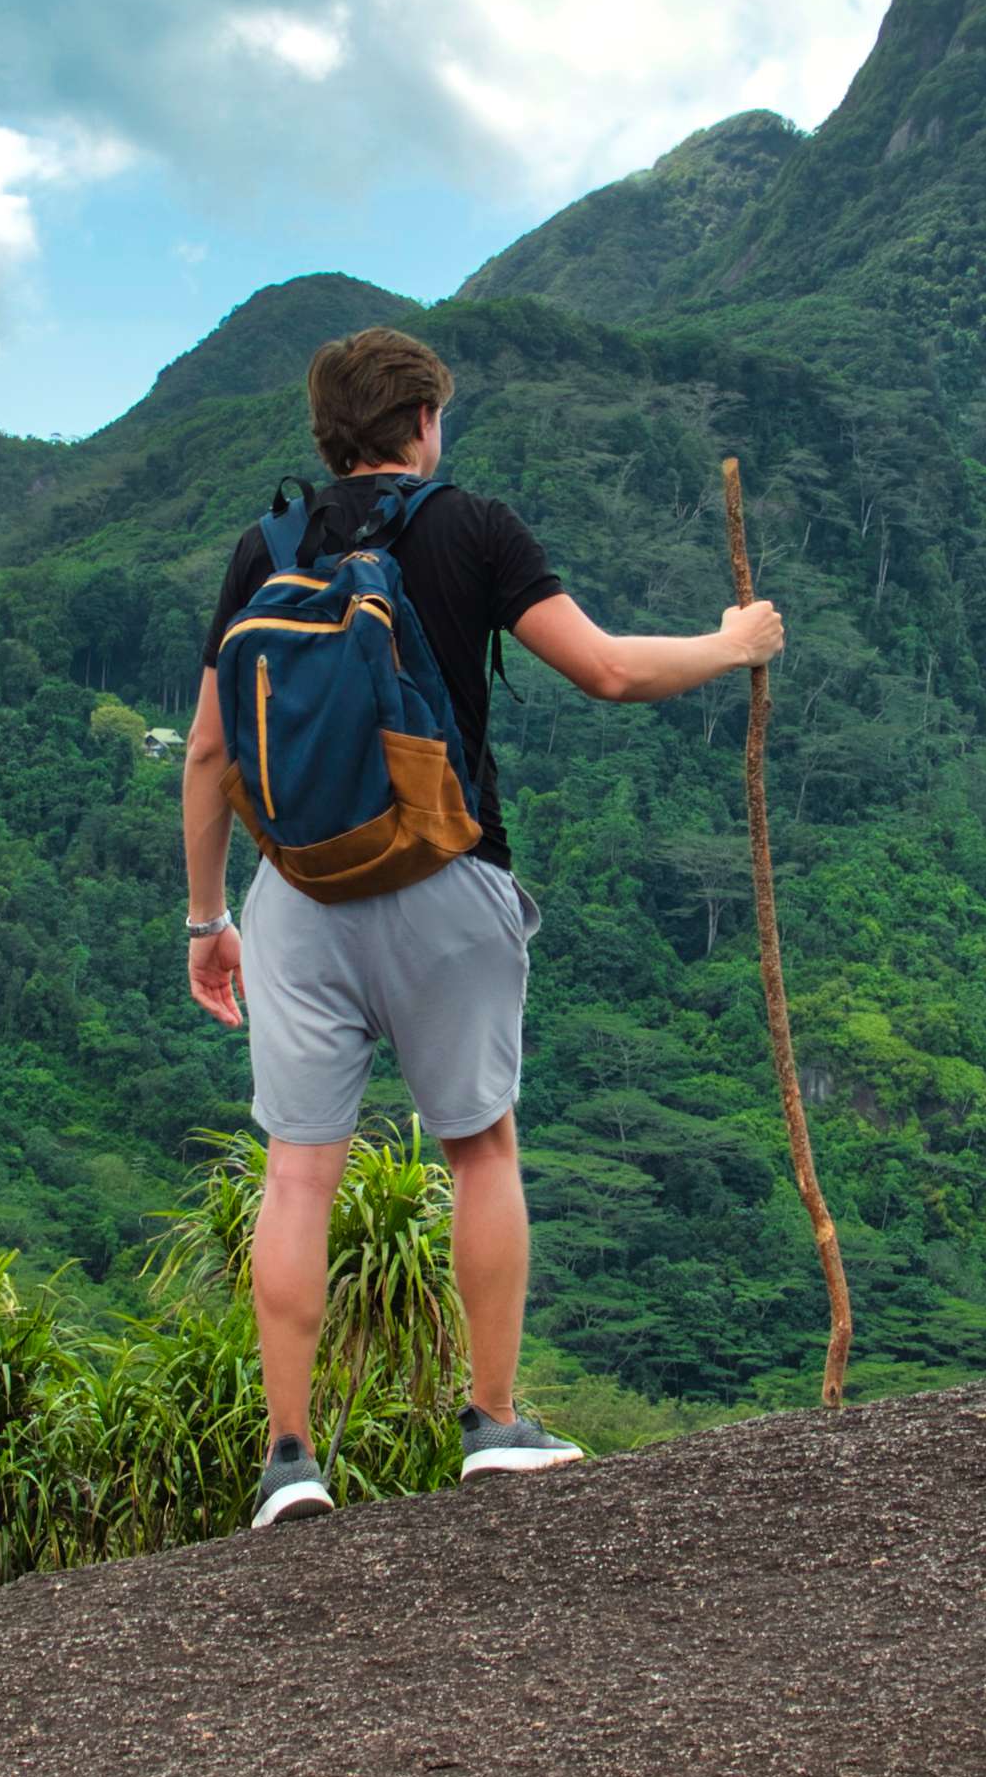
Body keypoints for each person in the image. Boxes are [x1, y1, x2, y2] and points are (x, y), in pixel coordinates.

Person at [179, 325, 784, 1527]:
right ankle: (495, 1421)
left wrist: (207, 917)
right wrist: (733, 642)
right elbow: (606, 670)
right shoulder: (473, 527)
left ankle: (290, 1460)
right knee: (481, 1149)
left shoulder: (270, 545)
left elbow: (207, 751)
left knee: (299, 1179)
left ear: (328, 434)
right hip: (446, 877)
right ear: (422, 423)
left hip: (296, 897)